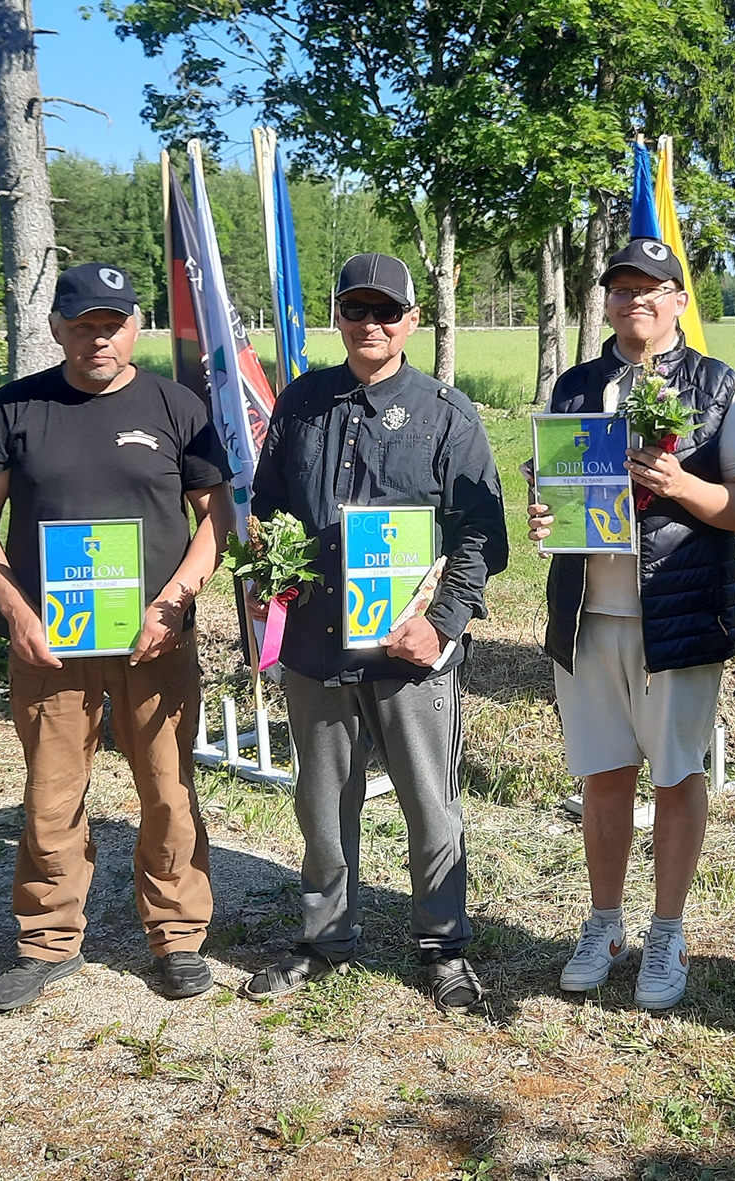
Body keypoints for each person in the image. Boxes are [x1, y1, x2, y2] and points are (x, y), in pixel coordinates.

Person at [0, 263, 234, 1010]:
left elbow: (216, 517)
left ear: (135, 326)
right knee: (51, 796)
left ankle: (177, 935)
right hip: (51, 644)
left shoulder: (176, 406)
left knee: (169, 790)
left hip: (155, 639)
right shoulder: (17, 406)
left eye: (113, 324)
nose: (99, 338)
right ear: (57, 329)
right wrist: (17, 612)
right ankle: (47, 941)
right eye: (83, 325)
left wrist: (174, 602)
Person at [241, 252, 508, 1012]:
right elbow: (267, 506)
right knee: (323, 806)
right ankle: (325, 937)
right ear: (338, 317)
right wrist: (268, 563)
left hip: (410, 653)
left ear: (411, 321)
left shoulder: (447, 412)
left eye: (387, 311)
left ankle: (443, 945)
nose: (371, 324)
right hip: (317, 644)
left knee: (430, 805)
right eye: (356, 309)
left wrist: (442, 625)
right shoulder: (300, 402)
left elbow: (482, 535)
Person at [526, 238, 735, 1010]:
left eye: (650, 288)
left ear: (678, 301)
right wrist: (546, 512)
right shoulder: (575, 386)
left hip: (678, 613)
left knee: (675, 775)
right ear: (606, 302)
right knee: (603, 775)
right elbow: (558, 488)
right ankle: (604, 923)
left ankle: (668, 930)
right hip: (588, 615)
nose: (635, 300)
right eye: (621, 288)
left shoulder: (718, 386)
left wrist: (683, 486)